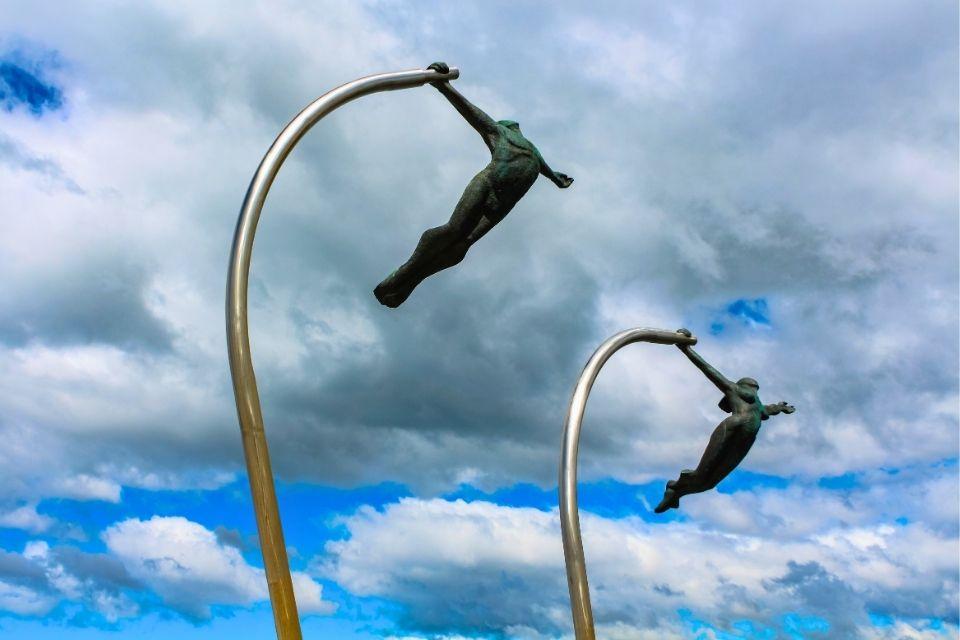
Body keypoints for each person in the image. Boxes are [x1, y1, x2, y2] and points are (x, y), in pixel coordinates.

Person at [374, 62, 574, 308]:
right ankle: (405, 271)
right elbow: (470, 111)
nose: (518, 127)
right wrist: (443, 86)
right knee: (452, 230)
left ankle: (411, 281)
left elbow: (543, 166)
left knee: (462, 246)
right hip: (488, 183)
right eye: (515, 125)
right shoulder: (499, 131)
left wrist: (556, 179)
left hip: (504, 203)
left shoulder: (534, 151)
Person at [655, 329, 796, 513]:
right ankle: (674, 485)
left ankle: (676, 494)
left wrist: (780, 407)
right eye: (754, 387)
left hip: (745, 439)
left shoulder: (757, 404)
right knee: (702, 473)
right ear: (746, 385)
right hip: (733, 428)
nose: (756, 390)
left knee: (709, 483)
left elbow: (767, 410)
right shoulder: (734, 389)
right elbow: (709, 370)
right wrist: (686, 349)